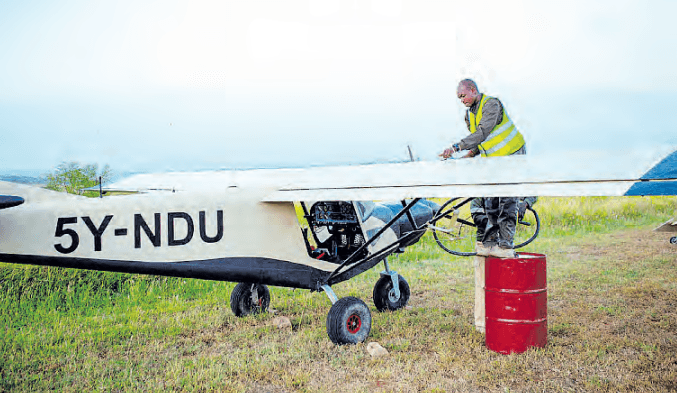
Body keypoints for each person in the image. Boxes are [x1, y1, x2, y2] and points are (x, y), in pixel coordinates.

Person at [439, 79, 527, 259]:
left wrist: (456, 147)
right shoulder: (469, 115)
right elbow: (481, 142)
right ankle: (490, 244)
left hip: (512, 155)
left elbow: (483, 132)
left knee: (507, 201)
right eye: (459, 98)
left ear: (473, 90)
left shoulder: (491, 105)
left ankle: (506, 246)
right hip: (494, 162)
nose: (461, 100)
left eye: (463, 96)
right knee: (490, 201)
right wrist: (469, 156)